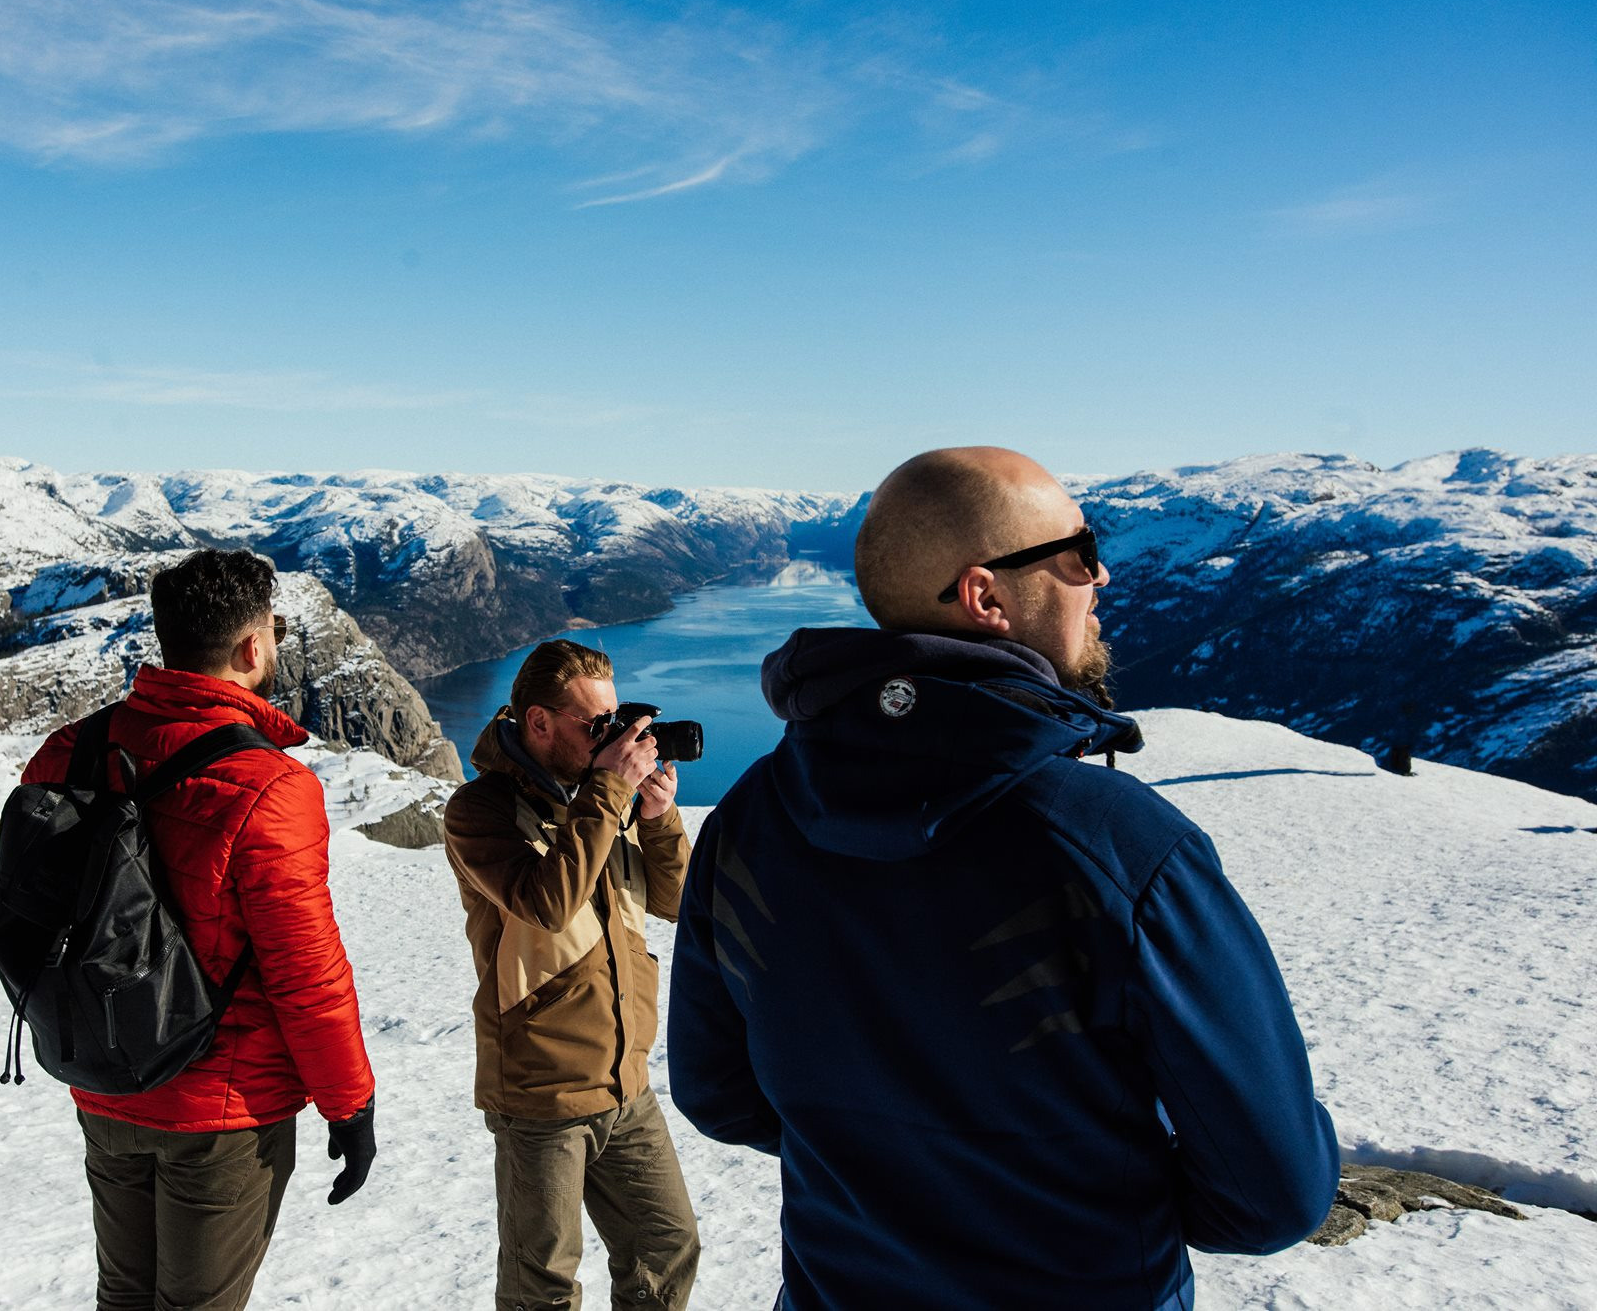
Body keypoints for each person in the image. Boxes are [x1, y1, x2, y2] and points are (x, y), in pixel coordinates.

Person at [669, 447, 1339, 1310]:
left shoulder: (753, 819)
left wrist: (876, 1158)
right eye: (1080, 553)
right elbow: (1273, 1197)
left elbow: (720, 1095)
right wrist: (1099, 1201)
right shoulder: (1118, 847)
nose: (1101, 578)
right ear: (987, 597)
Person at [20, 548, 376, 1311]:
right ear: (253, 648)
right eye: (273, 634)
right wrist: (349, 1105)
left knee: (123, 1296)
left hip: (104, 1076)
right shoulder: (270, 786)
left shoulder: (66, 752)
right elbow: (305, 971)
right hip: (223, 1108)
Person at [443, 640, 701, 1309]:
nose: (613, 737)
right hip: (541, 1093)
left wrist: (658, 818)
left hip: (626, 1081)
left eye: (616, 720)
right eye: (596, 725)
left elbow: (678, 902)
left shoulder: (601, 804)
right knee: (543, 1285)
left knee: (665, 1252)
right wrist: (610, 792)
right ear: (539, 723)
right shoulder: (481, 811)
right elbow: (546, 903)